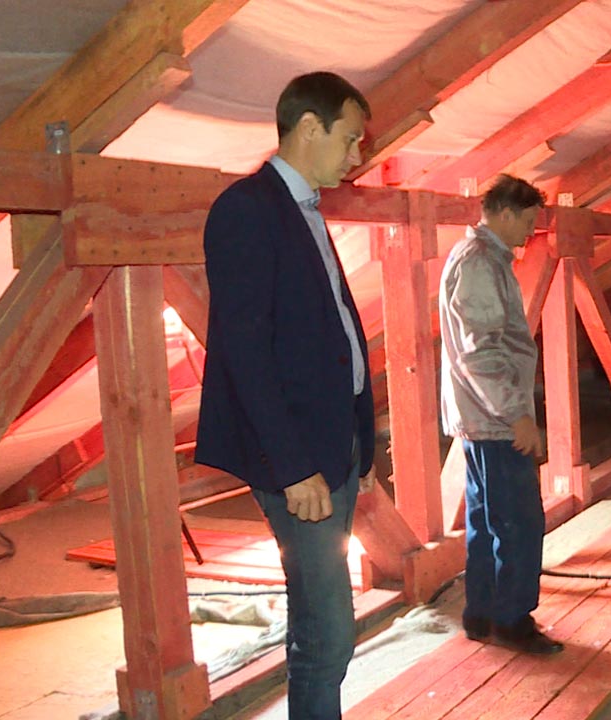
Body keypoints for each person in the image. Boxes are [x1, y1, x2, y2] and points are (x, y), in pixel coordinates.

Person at [196, 71, 376, 720]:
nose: (356, 156)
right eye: (350, 139)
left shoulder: (302, 209)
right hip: (299, 457)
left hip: (332, 447)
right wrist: (294, 466)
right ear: (308, 127)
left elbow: (329, 329)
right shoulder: (247, 209)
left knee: (318, 619)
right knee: (328, 633)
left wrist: (358, 441)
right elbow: (244, 352)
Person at [438, 174, 563, 655]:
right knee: (517, 522)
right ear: (506, 213)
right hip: (493, 419)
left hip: (482, 417)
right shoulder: (480, 262)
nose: (531, 231)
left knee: (487, 519)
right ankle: (511, 620)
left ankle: (483, 613)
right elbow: (482, 351)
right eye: (528, 221)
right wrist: (517, 416)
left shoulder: (479, 257)